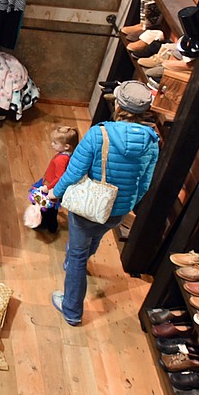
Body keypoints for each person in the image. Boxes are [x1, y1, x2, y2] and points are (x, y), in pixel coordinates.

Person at [49, 84, 160, 327]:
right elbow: (145, 182)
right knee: (96, 235)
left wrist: (54, 193)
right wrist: (128, 202)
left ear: (118, 105)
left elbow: (74, 172)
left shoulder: (99, 134)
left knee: (77, 254)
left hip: (90, 204)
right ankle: (74, 262)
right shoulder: (152, 142)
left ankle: (72, 310)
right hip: (118, 208)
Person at [26, 125, 79, 233]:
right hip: (51, 186)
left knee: (46, 210)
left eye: (55, 143)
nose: (52, 144)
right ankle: (52, 227)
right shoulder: (68, 156)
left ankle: (43, 225)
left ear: (66, 146)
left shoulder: (61, 160)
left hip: (50, 187)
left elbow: (59, 178)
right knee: (52, 210)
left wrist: (47, 187)